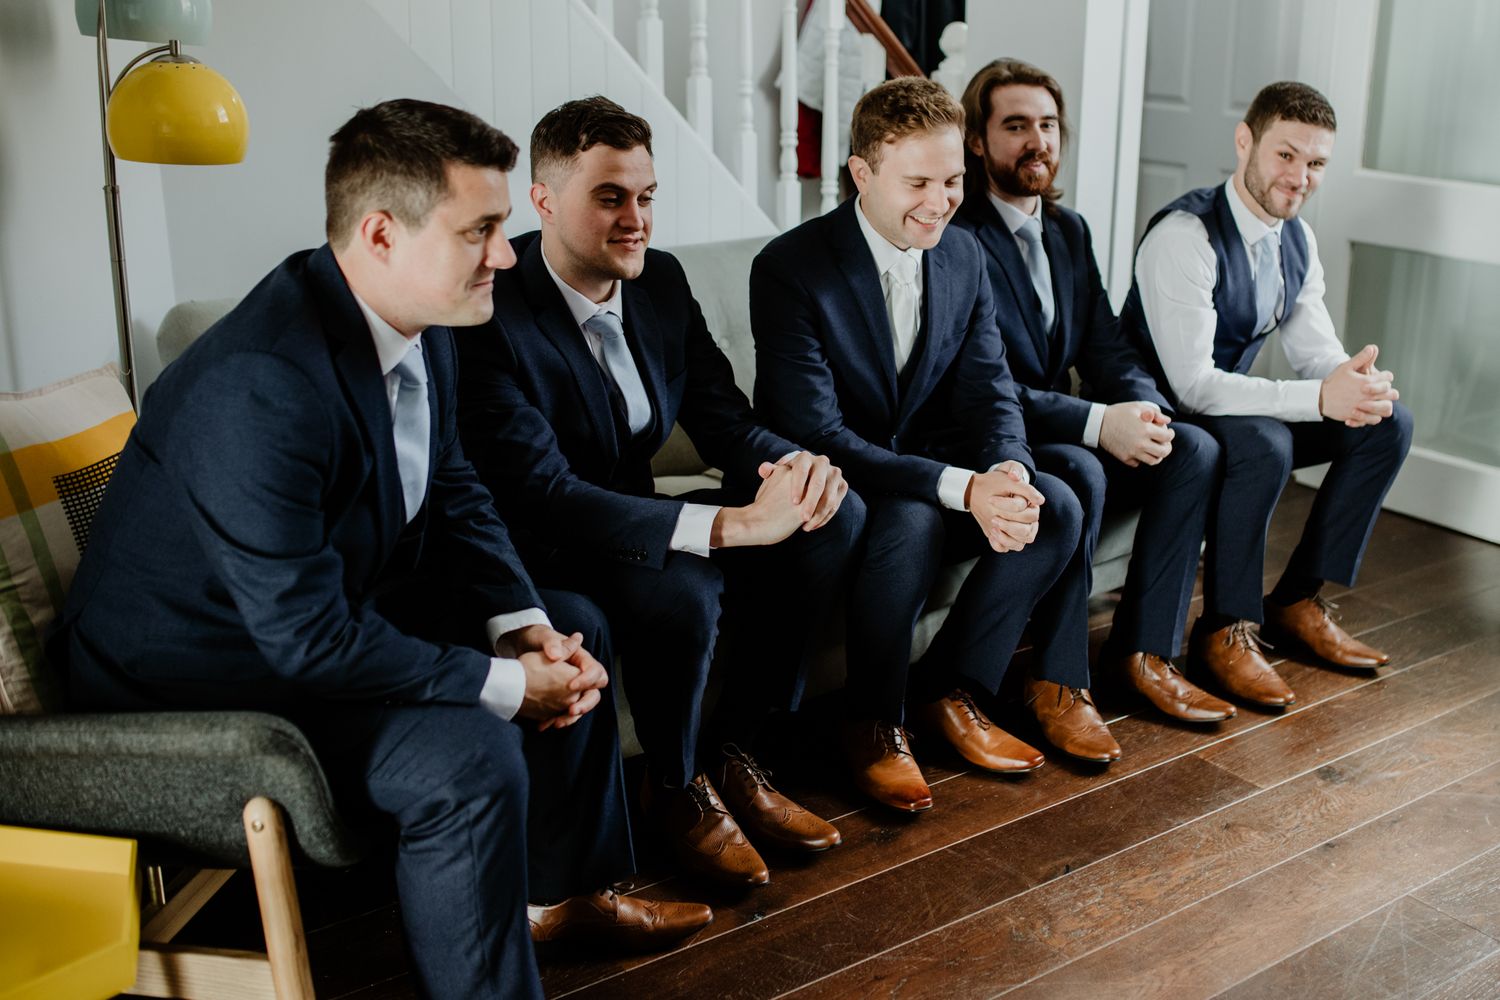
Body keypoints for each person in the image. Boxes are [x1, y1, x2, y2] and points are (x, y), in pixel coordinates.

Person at [59, 99, 708, 1000]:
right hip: (191, 682)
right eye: (479, 231)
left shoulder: (420, 321)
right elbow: (307, 642)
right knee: (469, 756)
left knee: (572, 622)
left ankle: (562, 898)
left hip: (318, 613)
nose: (506, 255)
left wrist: (520, 626)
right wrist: (507, 685)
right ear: (380, 234)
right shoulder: (261, 384)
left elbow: (454, 488)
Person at [454, 97, 859, 888]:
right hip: (546, 542)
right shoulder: (491, 310)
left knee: (833, 520)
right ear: (543, 201)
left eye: (646, 197)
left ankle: (737, 752)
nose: (636, 220)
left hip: (638, 519)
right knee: (686, 588)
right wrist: (733, 526)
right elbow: (544, 491)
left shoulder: (661, 281)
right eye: (610, 198)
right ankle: (674, 788)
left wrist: (796, 467)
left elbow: (722, 419)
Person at [751, 76, 1119, 816]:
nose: (941, 201)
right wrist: (963, 487)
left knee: (1055, 503)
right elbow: (818, 433)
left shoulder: (963, 254)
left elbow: (990, 389)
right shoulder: (791, 268)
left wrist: (1008, 469)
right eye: (917, 183)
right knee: (913, 520)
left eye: (952, 180)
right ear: (862, 174)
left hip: (928, 459)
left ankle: (950, 689)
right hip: (836, 482)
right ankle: (872, 725)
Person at [951, 58, 1235, 726]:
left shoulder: (1068, 230)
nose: (1037, 141)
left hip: (1064, 421)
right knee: (1081, 469)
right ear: (977, 141)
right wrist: (1098, 422)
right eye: (1016, 125)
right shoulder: (957, 238)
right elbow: (982, 384)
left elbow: (1105, 343)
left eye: (1048, 125)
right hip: (994, 437)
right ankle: (1057, 682)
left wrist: (1143, 407)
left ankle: (1146, 654)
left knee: (1192, 448)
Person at [1121, 81, 1413, 708]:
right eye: (1286, 155)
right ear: (1244, 142)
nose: (1299, 177)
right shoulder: (1185, 234)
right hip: (1164, 413)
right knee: (1265, 442)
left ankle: (1297, 600)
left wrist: (1354, 384)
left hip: (1233, 407)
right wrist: (1318, 399)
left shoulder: (1297, 240)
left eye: (1316, 163)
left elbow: (1315, 351)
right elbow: (1192, 384)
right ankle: (1224, 630)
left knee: (1388, 422)